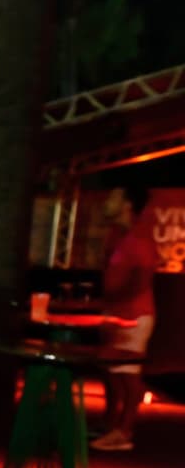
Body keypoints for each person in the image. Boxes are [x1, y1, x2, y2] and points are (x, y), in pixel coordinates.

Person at [92, 184, 157, 452]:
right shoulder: (119, 235)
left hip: (133, 317)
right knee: (112, 372)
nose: (108, 201)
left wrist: (114, 303)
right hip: (118, 315)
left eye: (114, 196)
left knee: (128, 375)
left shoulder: (140, 237)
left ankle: (125, 431)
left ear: (127, 203)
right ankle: (112, 424)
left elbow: (141, 280)